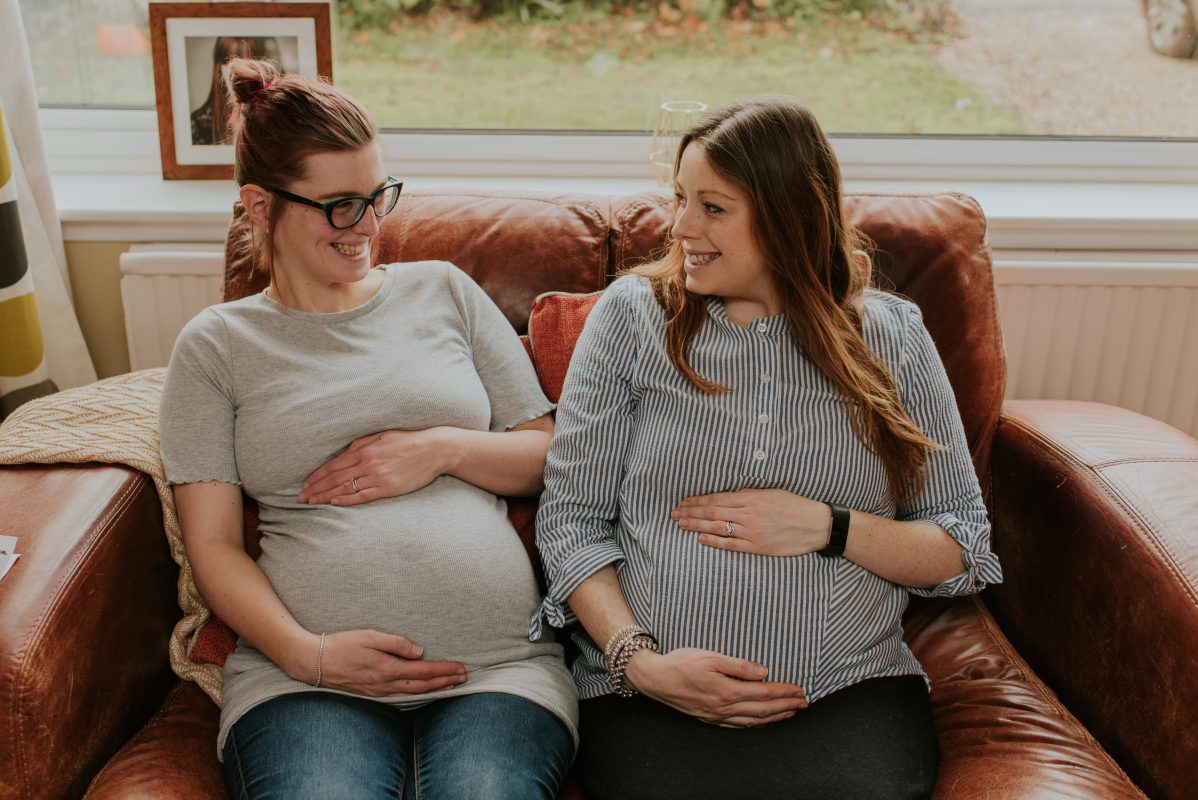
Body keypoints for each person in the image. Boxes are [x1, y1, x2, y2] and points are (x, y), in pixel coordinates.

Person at [533, 96, 1003, 800]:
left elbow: (961, 546)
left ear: (788, 216)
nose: (680, 227)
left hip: (846, 690)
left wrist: (829, 527)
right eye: (680, 199)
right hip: (650, 695)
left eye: (712, 208)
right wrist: (642, 664)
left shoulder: (892, 337)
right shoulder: (632, 319)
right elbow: (570, 521)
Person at [160, 58, 576, 799]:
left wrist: (441, 450)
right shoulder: (217, 346)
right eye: (339, 205)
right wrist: (308, 655)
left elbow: (546, 455)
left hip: (499, 669)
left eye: (378, 196)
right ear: (259, 205)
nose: (369, 226)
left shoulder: (444, 291)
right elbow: (214, 545)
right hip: (304, 684)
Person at [189, 37, 283, 146]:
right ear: (219, 67)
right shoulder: (199, 124)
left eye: (250, 61)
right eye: (229, 61)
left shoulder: (277, 118)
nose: (240, 73)